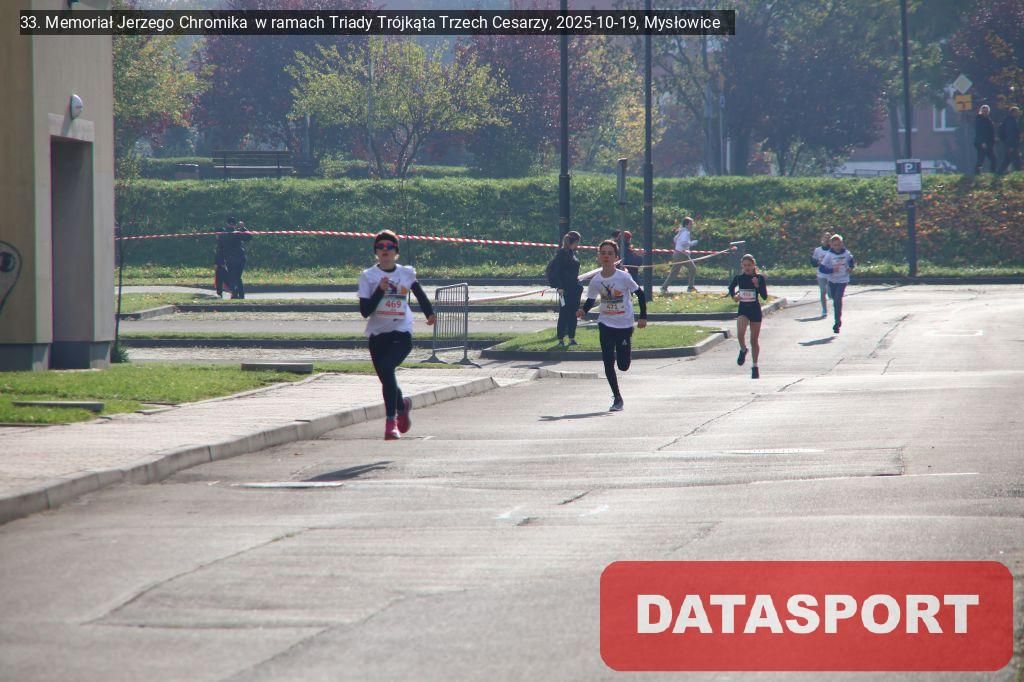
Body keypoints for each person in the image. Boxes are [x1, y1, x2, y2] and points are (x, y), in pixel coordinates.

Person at [358, 230, 436, 441]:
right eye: (381, 246)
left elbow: (420, 294)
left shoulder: (406, 273)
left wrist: (429, 313)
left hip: (402, 332)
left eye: (389, 247)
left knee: (387, 368)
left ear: (396, 252)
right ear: (376, 251)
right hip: (377, 334)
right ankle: (402, 406)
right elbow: (365, 311)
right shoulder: (368, 276)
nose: (385, 250)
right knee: (386, 377)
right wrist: (380, 291)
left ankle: (390, 423)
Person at [577, 240, 648, 412]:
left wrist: (643, 317)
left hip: (624, 325)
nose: (606, 256)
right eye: (603, 253)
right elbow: (591, 300)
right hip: (605, 324)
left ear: (616, 257)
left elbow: (640, 294)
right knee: (608, 362)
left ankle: (624, 353)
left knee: (623, 366)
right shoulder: (596, 280)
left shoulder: (623, 277)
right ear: (599, 257)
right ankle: (617, 397)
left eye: (610, 253)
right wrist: (583, 310)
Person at [728, 254, 769, 380]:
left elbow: (765, 296)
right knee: (740, 333)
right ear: (742, 265)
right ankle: (743, 349)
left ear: (753, 265)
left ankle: (755, 366)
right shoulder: (739, 278)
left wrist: (757, 286)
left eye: (749, 265)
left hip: (755, 310)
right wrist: (734, 297)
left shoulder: (759, 278)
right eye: (745, 265)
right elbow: (731, 287)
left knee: (754, 340)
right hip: (743, 309)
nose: (747, 268)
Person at [550, 230, 583, 347]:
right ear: (574, 242)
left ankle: (571, 337)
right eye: (577, 242)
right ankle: (560, 339)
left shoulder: (572, 253)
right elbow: (556, 272)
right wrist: (559, 286)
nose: (578, 245)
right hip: (564, 289)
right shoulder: (562, 254)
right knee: (564, 314)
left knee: (574, 313)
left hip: (574, 288)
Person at [818, 234, 855, 334]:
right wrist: (831, 270)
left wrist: (850, 268)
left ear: (842, 244)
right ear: (831, 245)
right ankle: (837, 319)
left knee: (838, 300)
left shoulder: (846, 253)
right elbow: (822, 268)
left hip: (843, 279)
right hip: (832, 280)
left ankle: (837, 322)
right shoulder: (829, 255)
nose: (837, 247)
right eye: (835, 245)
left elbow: (851, 261)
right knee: (834, 299)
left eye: (839, 245)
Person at [660, 216, 698, 294]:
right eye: (691, 224)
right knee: (674, 272)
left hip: (682, 254)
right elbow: (684, 243)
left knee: (693, 268)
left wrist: (682, 248)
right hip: (680, 255)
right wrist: (692, 243)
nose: (692, 226)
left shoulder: (681, 231)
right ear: (686, 225)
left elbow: (675, 239)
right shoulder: (686, 232)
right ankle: (664, 287)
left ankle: (690, 287)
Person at [220, 217, 253, 299]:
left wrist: (220, 260)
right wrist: (243, 228)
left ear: (227, 224)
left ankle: (235, 294)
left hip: (230, 258)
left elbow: (220, 248)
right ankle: (240, 295)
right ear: (235, 224)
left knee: (233, 277)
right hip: (240, 258)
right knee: (237, 277)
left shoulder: (224, 234)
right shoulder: (237, 233)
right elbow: (249, 237)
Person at [810, 231, 832, 317]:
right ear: (822, 239)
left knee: (830, 294)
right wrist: (817, 262)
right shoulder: (818, 250)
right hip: (821, 274)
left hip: (831, 274)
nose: (826, 240)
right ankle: (824, 309)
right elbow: (813, 261)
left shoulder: (833, 249)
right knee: (823, 292)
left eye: (828, 238)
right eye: (825, 237)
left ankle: (836, 306)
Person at [998, 106, 1021, 174]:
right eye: (1017, 112)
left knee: (1007, 160)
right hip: (1011, 144)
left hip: (1010, 144)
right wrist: (1011, 146)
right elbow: (1011, 134)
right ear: (1013, 113)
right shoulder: (1011, 121)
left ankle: (998, 173)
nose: (1018, 113)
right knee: (1017, 160)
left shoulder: (1011, 120)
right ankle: (1019, 174)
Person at [975, 105, 997, 174]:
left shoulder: (988, 120)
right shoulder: (979, 120)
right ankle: (977, 174)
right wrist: (982, 142)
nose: (985, 112)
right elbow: (979, 132)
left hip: (988, 143)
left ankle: (992, 173)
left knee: (993, 159)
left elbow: (990, 131)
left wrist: (993, 139)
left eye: (987, 111)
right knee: (981, 160)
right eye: (984, 111)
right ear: (981, 111)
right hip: (982, 143)